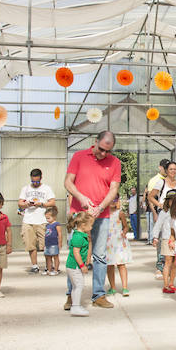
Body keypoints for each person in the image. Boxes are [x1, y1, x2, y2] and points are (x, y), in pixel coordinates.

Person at [63, 131, 121, 309]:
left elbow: (113, 189)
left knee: (100, 255)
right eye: (101, 149)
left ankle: (99, 295)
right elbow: (68, 182)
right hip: (79, 214)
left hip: (101, 216)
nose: (103, 154)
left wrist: (101, 207)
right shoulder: (79, 156)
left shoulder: (115, 162)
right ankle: (71, 296)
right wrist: (81, 198)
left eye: (107, 151)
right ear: (95, 142)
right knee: (76, 251)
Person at [18, 168, 56, 275]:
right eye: (33, 181)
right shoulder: (25, 189)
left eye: (37, 181)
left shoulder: (46, 188)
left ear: (41, 178)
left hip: (42, 220)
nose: (35, 183)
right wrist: (27, 204)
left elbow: (52, 202)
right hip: (28, 220)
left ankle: (49, 265)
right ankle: (34, 265)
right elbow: (20, 202)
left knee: (46, 244)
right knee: (30, 244)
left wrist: (41, 204)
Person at [65, 212, 94, 317]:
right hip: (75, 266)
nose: (91, 227)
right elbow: (76, 252)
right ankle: (76, 307)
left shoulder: (80, 234)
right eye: (90, 225)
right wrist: (82, 266)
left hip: (73, 266)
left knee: (75, 286)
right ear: (83, 225)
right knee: (79, 285)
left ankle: (75, 305)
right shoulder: (78, 237)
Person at [152, 189, 176, 294]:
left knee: (175, 263)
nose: (172, 202)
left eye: (175, 200)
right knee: (168, 262)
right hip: (166, 239)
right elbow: (158, 225)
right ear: (167, 201)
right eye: (170, 200)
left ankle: (172, 283)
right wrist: (155, 237)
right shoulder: (164, 212)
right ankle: (166, 285)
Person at [106, 198, 132, 297]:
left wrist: (124, 232)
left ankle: (125, 287)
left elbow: (125, 226)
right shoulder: (104, 214)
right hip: (108, 242)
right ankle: (112, 287)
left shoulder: (120, 213)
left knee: (121, 264)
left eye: (115, 199)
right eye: (111, 199)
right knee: (110, 265)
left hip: (118, 241)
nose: (113, 201)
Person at [145, 159, 170, 241]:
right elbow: (150, 198)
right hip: (160, 211)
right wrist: (154, 213)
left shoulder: (171, 180)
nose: (167, 170)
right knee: (160, 237)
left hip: (170, 212)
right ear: (160, 167)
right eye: (165, 168)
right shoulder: (154, 180)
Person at [43, 206, 62, 276]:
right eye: (46, 218)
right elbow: (46, 235)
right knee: (48, 257)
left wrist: (60, 243)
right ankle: (49, 269)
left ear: (54, 217)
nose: (47, 220)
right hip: (47, 244)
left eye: (48, 218)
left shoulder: (56, 224)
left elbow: (59, 234)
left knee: (55, 257)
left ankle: (56, 270)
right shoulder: (47, 225)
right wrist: (44, 244)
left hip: (54, 244)